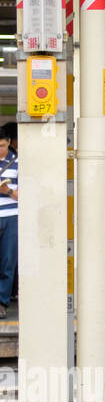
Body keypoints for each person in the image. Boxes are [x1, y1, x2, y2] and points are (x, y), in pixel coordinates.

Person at [0, 123, 19, 318]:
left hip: (11, 217)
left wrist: (9, 191)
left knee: (7, 261)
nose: (1, 150)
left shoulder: (18, 163)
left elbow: (27, 193)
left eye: (3, 146)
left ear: (9, 143)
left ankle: (2, 302)